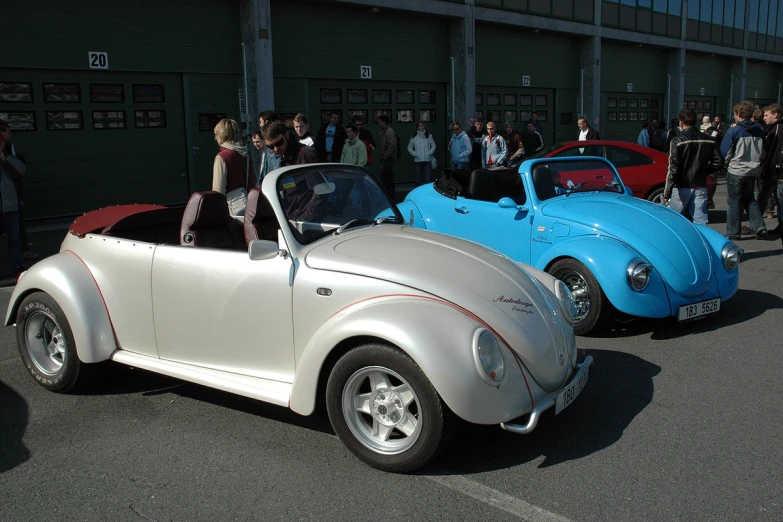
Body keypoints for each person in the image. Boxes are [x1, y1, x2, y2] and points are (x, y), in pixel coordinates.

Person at [663, 109, 724, 225]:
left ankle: (677, 242)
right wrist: (704, 170)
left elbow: (673, 167)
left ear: (681, 123)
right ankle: (700, 241)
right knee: (700, 221)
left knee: (674, 221)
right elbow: (719, 162)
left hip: (681, 185)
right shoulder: (708, 139)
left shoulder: (677, 140)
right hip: (700, 184)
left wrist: (667, 190)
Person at [720, 101, 767, 240]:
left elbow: (725, 152)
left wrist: (723, 165)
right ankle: (760, 226)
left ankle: (733, 232)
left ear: (738, 114)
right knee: (750, 199)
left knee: (734, 202)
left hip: (736, 170)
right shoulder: (759, 130)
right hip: (752, 170)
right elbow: (764, 150)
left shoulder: (734, 131)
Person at [0, 122, 38, 261]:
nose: (10, 136)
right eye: (8, 132)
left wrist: (5, 158)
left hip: (12, 198)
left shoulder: (10, 150)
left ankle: (20, 260)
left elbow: (19, 171)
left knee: (16, 233)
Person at [212, 119, 253, 207]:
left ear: (221, 135)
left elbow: (219, 189)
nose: (215, 138)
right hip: (249, 203)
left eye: (216, 134)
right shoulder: (246, 153)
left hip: (231, 206)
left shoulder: (222, 156)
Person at [757, 104, 783, 230]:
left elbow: (774, 151)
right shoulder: (772, 128)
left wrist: (771, 167)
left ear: (775, 115)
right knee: (766, 196)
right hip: (771, 170)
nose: (764, 118)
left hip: (775, 171)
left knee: (778, 198)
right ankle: (757, 224)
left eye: (767, 115)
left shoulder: (778, 128)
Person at [256, 111, 281, 184]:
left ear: (266, 122)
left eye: (261, 122)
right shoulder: (267, 148)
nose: (260, 125)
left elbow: (275, 170)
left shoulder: (273, 149)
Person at [377, 115, 398, 200]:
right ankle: (391, 195)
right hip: (387, 157)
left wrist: (385, 156)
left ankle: (390, 195)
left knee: (384, 176)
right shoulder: (384, 131)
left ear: (384, 122)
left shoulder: (390, 131)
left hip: (389, 158)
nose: (379, 123)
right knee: (388, 177)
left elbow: (392, 145)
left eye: (380, 121)